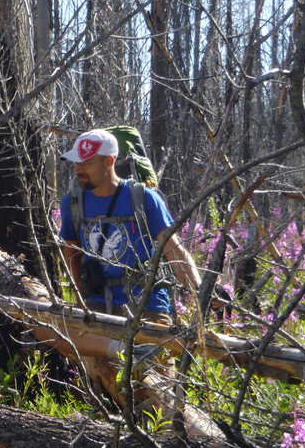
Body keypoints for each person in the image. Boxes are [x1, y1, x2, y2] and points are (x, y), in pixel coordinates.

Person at [36, 129, 202, 363]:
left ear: (109, 161)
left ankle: (134, 355)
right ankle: (121, 350)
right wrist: (79, 299)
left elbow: (173, 249)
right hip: (98, 305)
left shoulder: (143, 198)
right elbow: (71, 253)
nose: (78, 169)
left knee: (158, 379)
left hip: (148, 304)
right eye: (76, 162)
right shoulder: (73, 202)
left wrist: (201, 290)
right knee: (66, 343)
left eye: (86, 163)